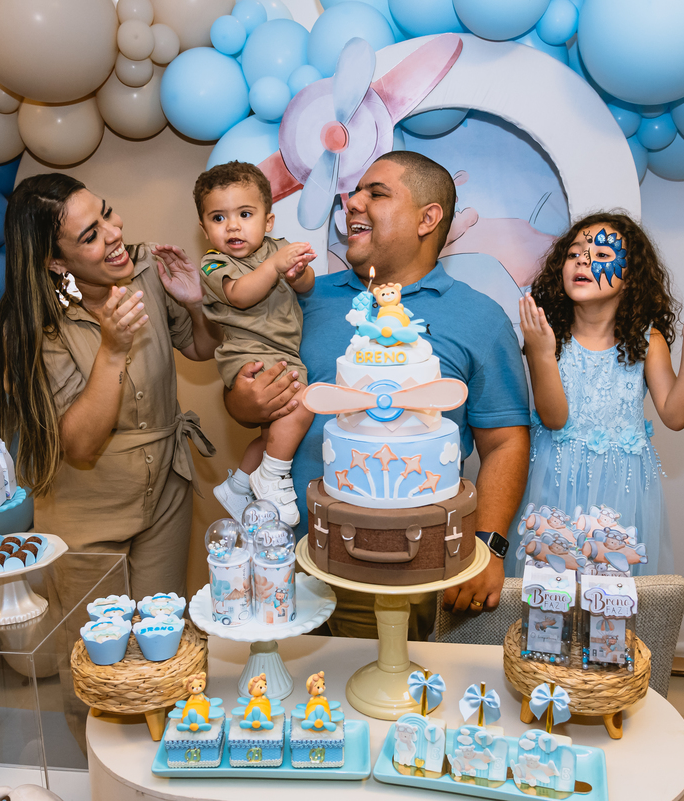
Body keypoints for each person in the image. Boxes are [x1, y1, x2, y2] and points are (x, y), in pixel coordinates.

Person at [224, 151, 531, 637]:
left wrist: (488, 545)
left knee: (380, 700)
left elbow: (506, 443)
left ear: (428, 218)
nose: (353, 203)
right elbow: (250, 394)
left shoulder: (480, 318)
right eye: (354, 192)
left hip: (403, 568)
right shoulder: (301, 298)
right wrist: (244, 402)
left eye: (377, 193)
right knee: (287, 703)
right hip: (282, 560)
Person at [0, 173, 221, 600]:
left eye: (107, 213)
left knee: (163, 639)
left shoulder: (146, 270)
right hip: (87, 512)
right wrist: (113, 350)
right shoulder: (33, 328)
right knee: (98, 652)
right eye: (92, 235)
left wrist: (194, 304)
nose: (116, 233)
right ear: (56, 262)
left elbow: (201, 348)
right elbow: (79, 445)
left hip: (165, 495)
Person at [512, 211, 684, 576]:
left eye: (601, 255)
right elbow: (554, 418)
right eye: (574, 253)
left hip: (620, 493)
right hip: (553, 485)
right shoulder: (548, 335)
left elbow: (676, 417)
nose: (583, 260)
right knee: (551, 601)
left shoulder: (648, 341)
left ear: (631, 279)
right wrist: (538, 351)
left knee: (608, 605)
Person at [193, 162, 317, 526]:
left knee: (273, 432)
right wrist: (276, 266)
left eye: (245, 214)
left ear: (268, 221)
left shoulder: (276, 249)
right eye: (218, 218)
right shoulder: (214, 265)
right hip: (248, 354)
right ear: (204, 229)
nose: (232, 225)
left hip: (279, 352)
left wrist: (297, 273)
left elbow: (307, 286)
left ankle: (239, 483)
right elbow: (242, 294)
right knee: (301, 404)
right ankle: (274, 476)